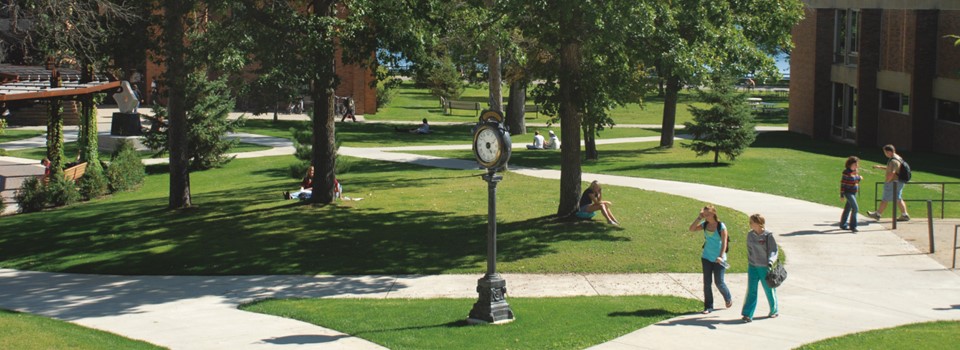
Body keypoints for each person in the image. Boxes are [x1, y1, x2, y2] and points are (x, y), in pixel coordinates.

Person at [688, 205, 732, 314]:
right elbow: (691, 229)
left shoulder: (721, 226)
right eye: (704, 214)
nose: (706, 216)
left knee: (719, 282)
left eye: (707, 214)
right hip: (706, 257)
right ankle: (708, 307)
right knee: (707, 283)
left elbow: (724, 242)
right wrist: (699, 218)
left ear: (713, 214)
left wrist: (721, 256)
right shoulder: (705, 224)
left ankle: (727, 298)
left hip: (719, 259)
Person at [741, 213, 779, 323]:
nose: (750, 224)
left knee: (769, 289)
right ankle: (748, 314)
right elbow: (749, 249)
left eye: (752, 222)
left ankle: (774, 310)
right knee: (751, 290)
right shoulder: (750, 235)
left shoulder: (768, 235)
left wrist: (771, 261)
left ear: (758, 223)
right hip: (753, 266)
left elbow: (774, 250)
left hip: (765, 267)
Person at [867, 144, 910, 221]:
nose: (885, 154)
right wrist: (880, 167)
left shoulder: (893, 161)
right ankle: (905, 215)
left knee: (885, 198)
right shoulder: (898, 158)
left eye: (885, 152)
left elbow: (892, 172)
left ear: (889, 152)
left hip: (893, 182)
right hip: (899, 182)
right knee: (898, 198)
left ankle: (877, 214)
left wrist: (887, 181)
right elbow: (894, 169)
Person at [839, 156, 863, 232]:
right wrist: (842, 195)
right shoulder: (846, 172)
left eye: (857, 164)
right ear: (850, 164)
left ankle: (843, 225)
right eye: (855, 164)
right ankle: (853, 226)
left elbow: (855, 181)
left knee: (847, 209)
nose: (856, 166)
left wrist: (858, 177)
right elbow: (843, 184)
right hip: (848, 193)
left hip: (854, 192)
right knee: (855, 208)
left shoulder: (855, 171)